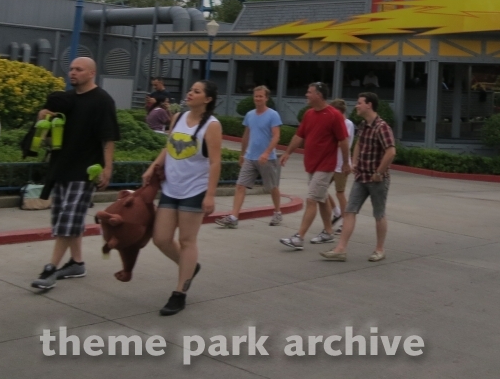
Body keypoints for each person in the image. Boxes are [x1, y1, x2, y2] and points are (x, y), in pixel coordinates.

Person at [30, 57, 119, 291]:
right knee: (64, 218)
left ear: (91, 73)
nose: (73, 73)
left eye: (78, 69)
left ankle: (50, 269)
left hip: (86, 170)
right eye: (71, 69)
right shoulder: (66, 101)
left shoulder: (102, 101)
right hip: (62, 167)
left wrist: (108, 168)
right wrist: (43, 119)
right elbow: (49, 138)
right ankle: (77, 263)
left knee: (68, 220)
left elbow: (108, 137)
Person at [144, 80, 223, 315]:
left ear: (207, 99)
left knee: (188, 241)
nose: (190, 93)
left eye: (196, 92)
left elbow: (215, 161)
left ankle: (180, 292)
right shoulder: (177, 118)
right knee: (161, 238)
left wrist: (210, 195)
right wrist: (152, 167)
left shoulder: (212, 125)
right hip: (171, 186)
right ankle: (189, 266)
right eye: (190, 90)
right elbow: (169, 148)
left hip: (195, 189)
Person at [322, 92, 397, 262]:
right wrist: (353, 163)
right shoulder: (363, 125)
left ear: (369, 105)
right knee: (350, 211)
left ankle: (379, 250)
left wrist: (379, 172)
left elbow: (391, 151)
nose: (356, 106)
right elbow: (357, 144)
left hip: (377, 180)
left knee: (379, 214)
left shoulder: (382, 127)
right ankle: (340, 249)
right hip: (361, 177)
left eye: (359, 103)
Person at [278, 82, 350, 249]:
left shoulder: (334, 115)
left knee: (311, 200)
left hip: (326, 165)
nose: (306, 95)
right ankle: (328, 232)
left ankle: (299, 237)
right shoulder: (309, 114)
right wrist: (288, 152)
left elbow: (344, 141)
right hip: (311, 165)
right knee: (322, 199)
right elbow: (299, 136)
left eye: (309, 92)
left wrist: (346, 163)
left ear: (319, 95)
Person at [216, 86, 284, 229]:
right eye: (256, 96)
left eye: (261, 96)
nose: (258, 99)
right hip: (250, 157)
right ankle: (234, 217)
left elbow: (276, 136)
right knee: (240, 186)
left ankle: (277, 212)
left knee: (272, 187)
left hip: (267, 159)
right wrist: (242, 154)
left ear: (266, 98)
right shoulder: (249, 115)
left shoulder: (273, 115)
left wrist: (266, 152)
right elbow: (246, 135)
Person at [326, 98, 357, 230]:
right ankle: (337, 211)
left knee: (340, 193)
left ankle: (345, 221)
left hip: (341, 164)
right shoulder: (334, 122)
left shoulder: (347, 124)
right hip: (330, 163)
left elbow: (341, 142)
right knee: (320, 189)